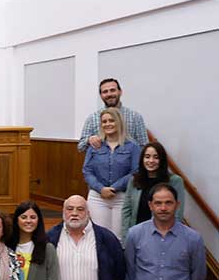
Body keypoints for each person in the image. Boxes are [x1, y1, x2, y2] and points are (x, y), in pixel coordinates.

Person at [81, 107, 141, 240]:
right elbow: (87, 170)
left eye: (111, 120)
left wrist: (114, 188)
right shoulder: (95, 146)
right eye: (104, 121)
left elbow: (135, 171)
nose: (108, 124)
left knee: (119, 237)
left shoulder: (132, 147)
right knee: (99, 236)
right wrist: (101, 189)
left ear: (119, 122)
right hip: (97, 197)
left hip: (122, 197)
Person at [120, 141, 185, 240]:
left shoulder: (175, 181)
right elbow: (126, 211)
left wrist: (168, 237)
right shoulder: (134, 180)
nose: (151, 160)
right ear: (142, 159)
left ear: (162, 160)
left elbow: (177, 214)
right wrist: (126, 238)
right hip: (137, 236)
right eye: (147, 156)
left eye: (156, 157)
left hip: (163, 237)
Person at [77, 78, 148, 153]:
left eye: (112, 90)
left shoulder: (135, 117)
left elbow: (144, 146)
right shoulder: (92, 119)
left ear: (120, 92)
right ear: (101, 95)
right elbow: (81, 147)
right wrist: (89, 140)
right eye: (105, 92)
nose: (109, 94)